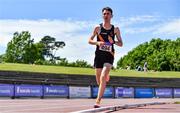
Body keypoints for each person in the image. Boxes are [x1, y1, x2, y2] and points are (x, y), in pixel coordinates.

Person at [88, 7, 123, 108]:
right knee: (99, 81)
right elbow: (89, 40)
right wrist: (97, 42)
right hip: (99, 55)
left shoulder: (115, 29)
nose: (106, 15)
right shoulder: (97, 28)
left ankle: (98, 101)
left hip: (109, 55)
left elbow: (121, 44)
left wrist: (114, 42)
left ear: (111, 16)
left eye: (108, 14)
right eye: (104, 14)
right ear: (102, 15)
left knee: (103, 76)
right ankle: (105, 77)